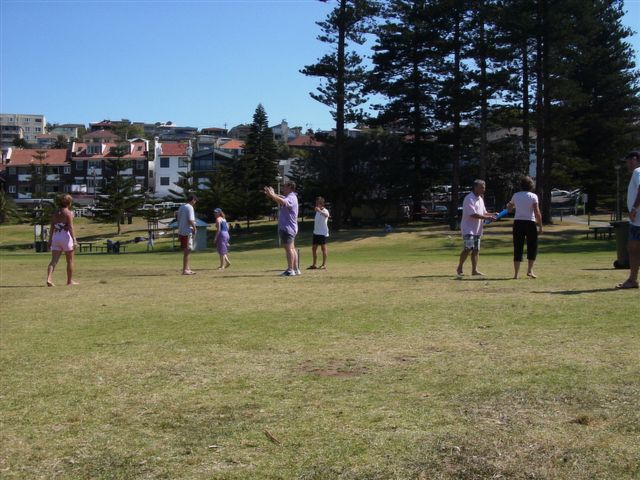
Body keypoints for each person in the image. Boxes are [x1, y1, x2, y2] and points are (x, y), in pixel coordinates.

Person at [456, 179, 496, 277]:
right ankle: (460, 267)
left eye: (484, 188)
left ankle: (474, 270)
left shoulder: (480, 199)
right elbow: (473, 214)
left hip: (477, 229)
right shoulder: (469, 198)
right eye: (481, 188)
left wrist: (493, 214)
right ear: (475, 188)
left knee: (476, 250)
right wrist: (487, 218)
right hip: (468, 228)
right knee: (468, 248)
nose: (483, 190)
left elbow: (484, 213)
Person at [507, 175, 543, 279]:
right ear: (531, 185)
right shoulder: (533, 196)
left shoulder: (516, 195)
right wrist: (540, 226)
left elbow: (509, 209)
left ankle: (516, 274)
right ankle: (530, 270)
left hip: (518, 223)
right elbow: (537, 212)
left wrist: (509, 205)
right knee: (532, 246)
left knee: (518, 247)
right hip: (530, 223)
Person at [264, 181, 299, 276]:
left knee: (289, 249)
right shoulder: (291, 197)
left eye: (285, 186)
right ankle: (295, 269)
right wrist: (272, 195)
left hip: (288, 228)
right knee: (292, 248)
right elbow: (281, 198)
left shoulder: (291, 197)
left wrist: (272, 195)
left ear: (290, 187)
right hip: (290, 227)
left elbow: (282, 201)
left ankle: (290, 270)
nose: (283, 188)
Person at [616, 151, 640, 289]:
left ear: (634, 159)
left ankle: (632, 280)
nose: (626, 164)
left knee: (633, 248)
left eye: (627, 160)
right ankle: (632, 280)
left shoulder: (638, 171)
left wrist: (634, 209)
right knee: (632, 248)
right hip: (636, 221)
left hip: (638, 219)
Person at [46, 194, 79, 286]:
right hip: (66, 237)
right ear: (69, 203)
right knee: (70, 261)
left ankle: (49, 278)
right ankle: (69, 281)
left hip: (56, 237)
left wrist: (50, 240)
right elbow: (70, 227)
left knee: (53, 260)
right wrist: (74, 240)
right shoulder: (69, 213)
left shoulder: (55, 213)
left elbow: (52, 228)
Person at [176, 195, 197, 275]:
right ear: (192, 200)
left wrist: (179, 231)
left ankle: (187, 268)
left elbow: (178, 220)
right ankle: (185, 270)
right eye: (195, 201)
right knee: (187, 250)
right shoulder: (190, 207)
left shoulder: (181, 207)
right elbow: (190, 220)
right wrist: (195, 228)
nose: (195, 202)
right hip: (188, 231)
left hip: (181, 231)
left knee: (187, 249)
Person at [308, 196, 330, 269]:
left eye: (317, 203)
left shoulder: (325, 210)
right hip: (316, 233)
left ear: (321, 203)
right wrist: (318, 211)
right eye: (316, 203)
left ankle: (324, 265)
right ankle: (314, 264)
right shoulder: (317, 211)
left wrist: (319, 211)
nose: (316, 204)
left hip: (323, 233)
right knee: (314, 248)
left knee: (323, 249)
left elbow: (327, 215)